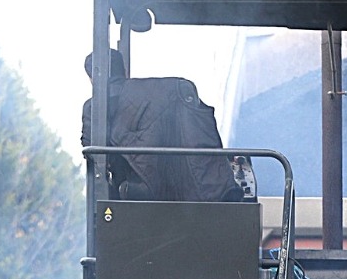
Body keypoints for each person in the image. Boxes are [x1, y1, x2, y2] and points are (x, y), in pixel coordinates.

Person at [80, 48, 246, 203]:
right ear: (123, 71)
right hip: (197, 186)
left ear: (93, 77)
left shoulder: (95, 106)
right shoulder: (164, 90)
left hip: (140, 191)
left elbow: (93, 151)